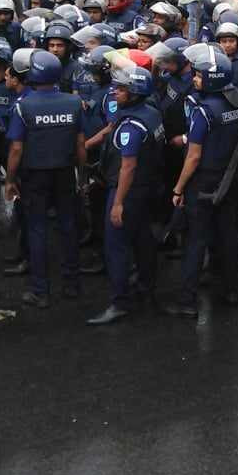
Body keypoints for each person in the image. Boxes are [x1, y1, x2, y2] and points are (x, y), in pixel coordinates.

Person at [166, 45, 238, 317]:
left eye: (200, 76)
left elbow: (193, 156)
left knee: (195, 240)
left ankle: (187, 301)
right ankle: (231, 290)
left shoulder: (203, 111)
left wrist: (178, 187)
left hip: (203, 180)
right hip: (231, 177)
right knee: (227, 235)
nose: (195, 79)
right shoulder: (237, 102)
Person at [5, 50, 86, 309]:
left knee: (37, 230)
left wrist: (10, 179)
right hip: (65, 173)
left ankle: (41, 290)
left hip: (34, 176)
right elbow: (80, 144)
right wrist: (82, 175)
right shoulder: (73, 103)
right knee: (68, 227)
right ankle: (72, 284)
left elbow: (16, 148)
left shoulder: (23, 105)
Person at [87, 64, 165, 326]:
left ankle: (120, 301)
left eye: (121, 89)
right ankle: (146, 286)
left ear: (134, 93)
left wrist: (118, 203)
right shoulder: (151, 114)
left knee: (116, 246)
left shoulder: (131, 126)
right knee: (143, 239)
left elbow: (128, 166)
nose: (115, 92)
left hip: (128, 191)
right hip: (148, 188)